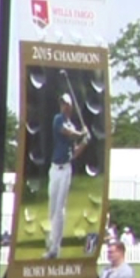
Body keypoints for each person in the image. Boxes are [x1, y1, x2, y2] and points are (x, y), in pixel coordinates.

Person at [45, 93, 90, 259]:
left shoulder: (71, 123)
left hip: (65, 170)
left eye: (66, 104)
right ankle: (51, 243)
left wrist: (84, 143)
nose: (63, 106)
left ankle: (55, 248)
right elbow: (67, 132)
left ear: (71, 107)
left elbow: (74, 153)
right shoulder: (58, 119)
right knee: (52, 208)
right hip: (54, 168)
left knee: (59, 209)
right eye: (62, 103)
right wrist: (81, 134)